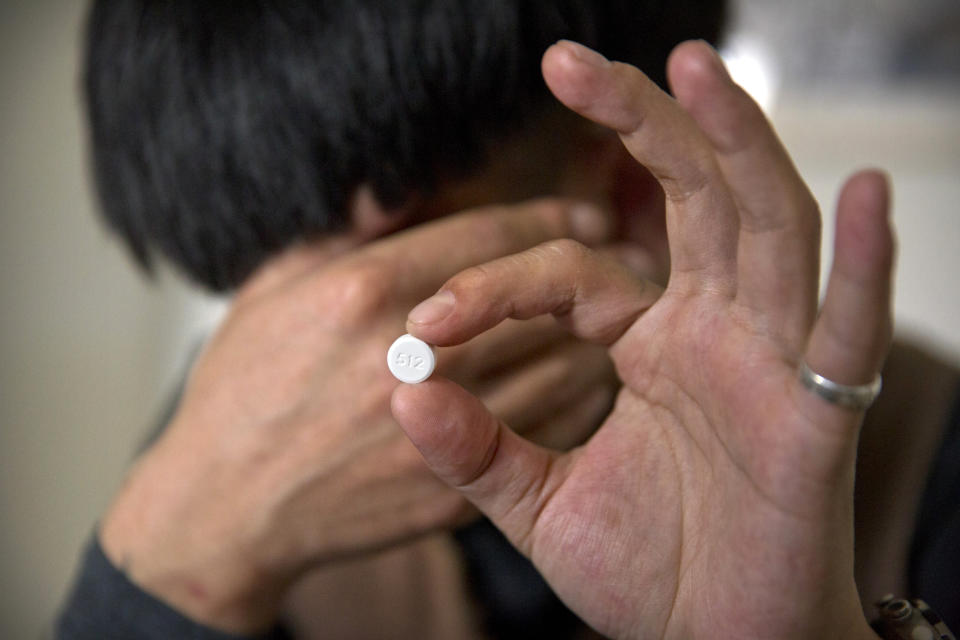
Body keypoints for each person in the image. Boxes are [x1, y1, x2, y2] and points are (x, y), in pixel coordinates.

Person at [56, 1, 959, 639]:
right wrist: (176, 557)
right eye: (258, 278)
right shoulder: (230, 435)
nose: (311, 339)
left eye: (374, 266)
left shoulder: (920, 449)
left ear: (630, 188)